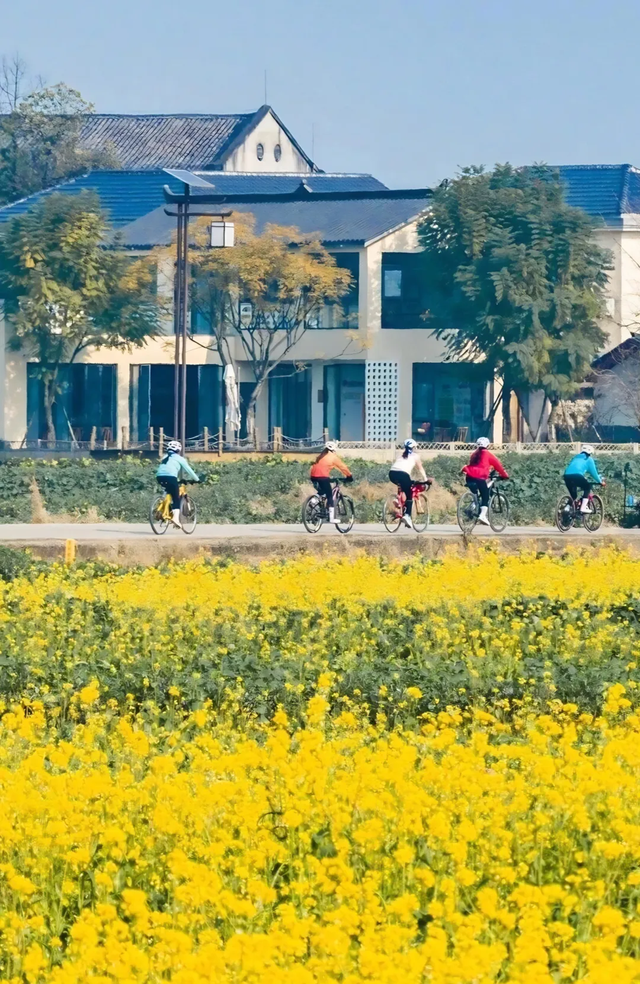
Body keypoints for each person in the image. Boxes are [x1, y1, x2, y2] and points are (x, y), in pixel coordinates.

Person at [461, 437, 509, 526]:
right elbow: (498, 466)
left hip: (469, 477)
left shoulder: (474, 454)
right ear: (488, 445)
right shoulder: (488, 454)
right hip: (479, 477)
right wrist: (505, 475)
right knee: (485, 496)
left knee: (476, 493)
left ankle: (473, 506)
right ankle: (482, 516)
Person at [156, 440, 200, 528]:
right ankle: (175, 519)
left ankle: (162, 509)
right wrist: (197, 479)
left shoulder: (164, 457)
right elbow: (189, 470)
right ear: (179, 450)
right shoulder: (180, 458)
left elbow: (168, 469)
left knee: (168, 492)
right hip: (171, 477)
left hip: (159, 477)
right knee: (176, 498)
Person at [389, 439, 431, 530]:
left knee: (402, 484)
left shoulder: (400, 454)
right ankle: (407, 516)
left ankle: (397, 499)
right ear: (414, 447)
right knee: (409, 494)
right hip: (403, 474)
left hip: (392, 473)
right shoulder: (415, 456)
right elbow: (420, 469)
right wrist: (425, 479)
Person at [310, 442, 353, 524]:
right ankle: (332, 518)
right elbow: (342, 467)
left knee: (322, 491)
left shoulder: (321, 455)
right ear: (334, 450)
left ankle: (314, 500)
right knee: (330, 496)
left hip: (313, 477)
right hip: (322, 476)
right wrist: (349, 476)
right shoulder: (333, 457)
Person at [564, 444, 605, 513]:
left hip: (567, 476)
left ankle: (567, 508)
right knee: (587, 487)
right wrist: (600, 481)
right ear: (590, 453)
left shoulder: (576, 457)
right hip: (577, 476)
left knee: (573, 495)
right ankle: (583, 507)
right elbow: (594, 473)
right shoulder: (589, 459)